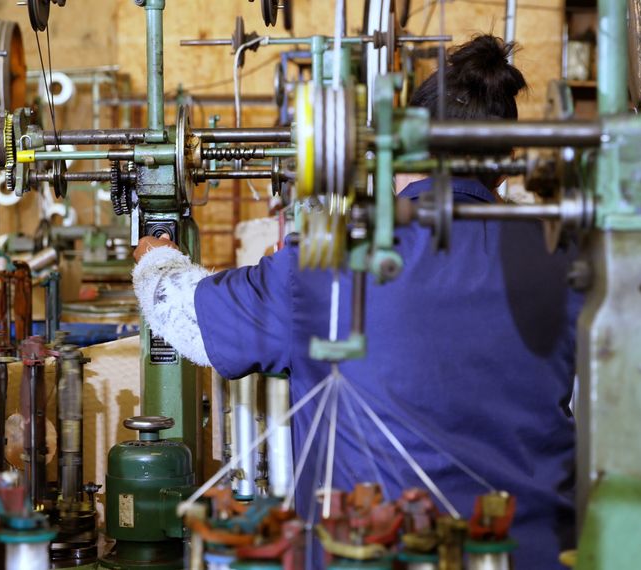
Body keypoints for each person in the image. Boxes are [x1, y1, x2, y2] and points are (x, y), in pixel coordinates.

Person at [131, 35, 580, 568]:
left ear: (397, 150)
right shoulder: (561, 257)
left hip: (372, 554)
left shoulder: (334, 252)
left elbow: (188, 318)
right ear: (506, 164)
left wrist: (156, 259)